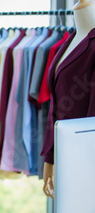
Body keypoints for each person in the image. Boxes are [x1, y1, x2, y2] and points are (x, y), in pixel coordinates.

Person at [42, 0, 95, 198]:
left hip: (84, 160)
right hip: (65, 155)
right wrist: (50, 158)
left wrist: (85, 167)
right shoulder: (70, 41)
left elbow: (93, 116)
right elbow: (56, 105)